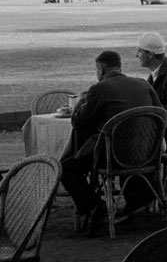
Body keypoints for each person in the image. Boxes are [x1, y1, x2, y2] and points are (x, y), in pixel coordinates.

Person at [60, 50, 161, 235]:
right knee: (116, 146)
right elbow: (160, 114)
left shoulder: (98, 89)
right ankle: (137, 200)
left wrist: (81, 102)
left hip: (113, 157)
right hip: (146, 154)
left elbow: (79, 122)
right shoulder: (143, 84)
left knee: (66, 168)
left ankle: (94, 207)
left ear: (100, 70)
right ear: (119, 67)